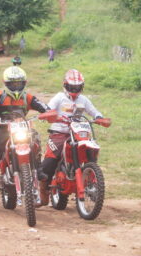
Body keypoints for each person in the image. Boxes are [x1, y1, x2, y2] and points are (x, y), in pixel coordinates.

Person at [0, 66, 49, 197]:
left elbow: (43, 106)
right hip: (2, 128)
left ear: (24, 83)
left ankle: (38, 168)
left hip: (22, 127)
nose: (16, 86)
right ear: (6, 83)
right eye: (12, 83)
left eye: (19, 83)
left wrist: (49, 113)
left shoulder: (28, 97)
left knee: (36, 138)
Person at [39, 69, 104, 206]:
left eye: (77, 87)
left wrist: (98, 118)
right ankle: (43, 190)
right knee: (50, 161)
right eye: (71, 86)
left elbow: (94, 111)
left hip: (79, 132)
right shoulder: (59, 97)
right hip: (59, 133)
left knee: (91, 152)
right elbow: (47, 109)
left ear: (82, 87)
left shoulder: (83, 99)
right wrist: (51, 115)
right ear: (65, 85)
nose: (74, 89)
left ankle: (92, 182)